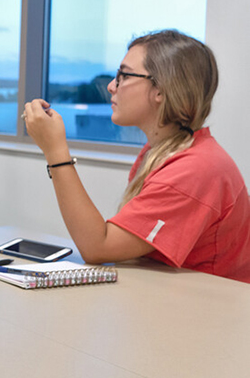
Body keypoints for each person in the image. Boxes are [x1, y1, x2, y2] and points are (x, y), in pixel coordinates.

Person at [24, 30, 250, 283]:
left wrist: (55, 151)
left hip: (209, 312)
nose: (111, 86)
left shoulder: (195, 169)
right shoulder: (164, 153)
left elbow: (98, 247)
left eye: (123, 76)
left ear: (161, 90)